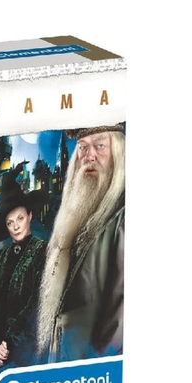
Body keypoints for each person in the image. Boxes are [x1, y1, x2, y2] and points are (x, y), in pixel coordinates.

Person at [37, 124, 125, 362]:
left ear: (118, 152)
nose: (89, 156)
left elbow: (118, 329)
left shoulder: (124, 220)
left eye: (100, 146)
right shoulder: (75, 219)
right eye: (83, 148)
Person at [0, 167, 47, 378]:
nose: (16, 226)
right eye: (10, 222)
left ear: (30, 216)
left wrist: (7, 344)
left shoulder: (44, 252)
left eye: (20, 219)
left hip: (26, 354)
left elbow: (37, 304)